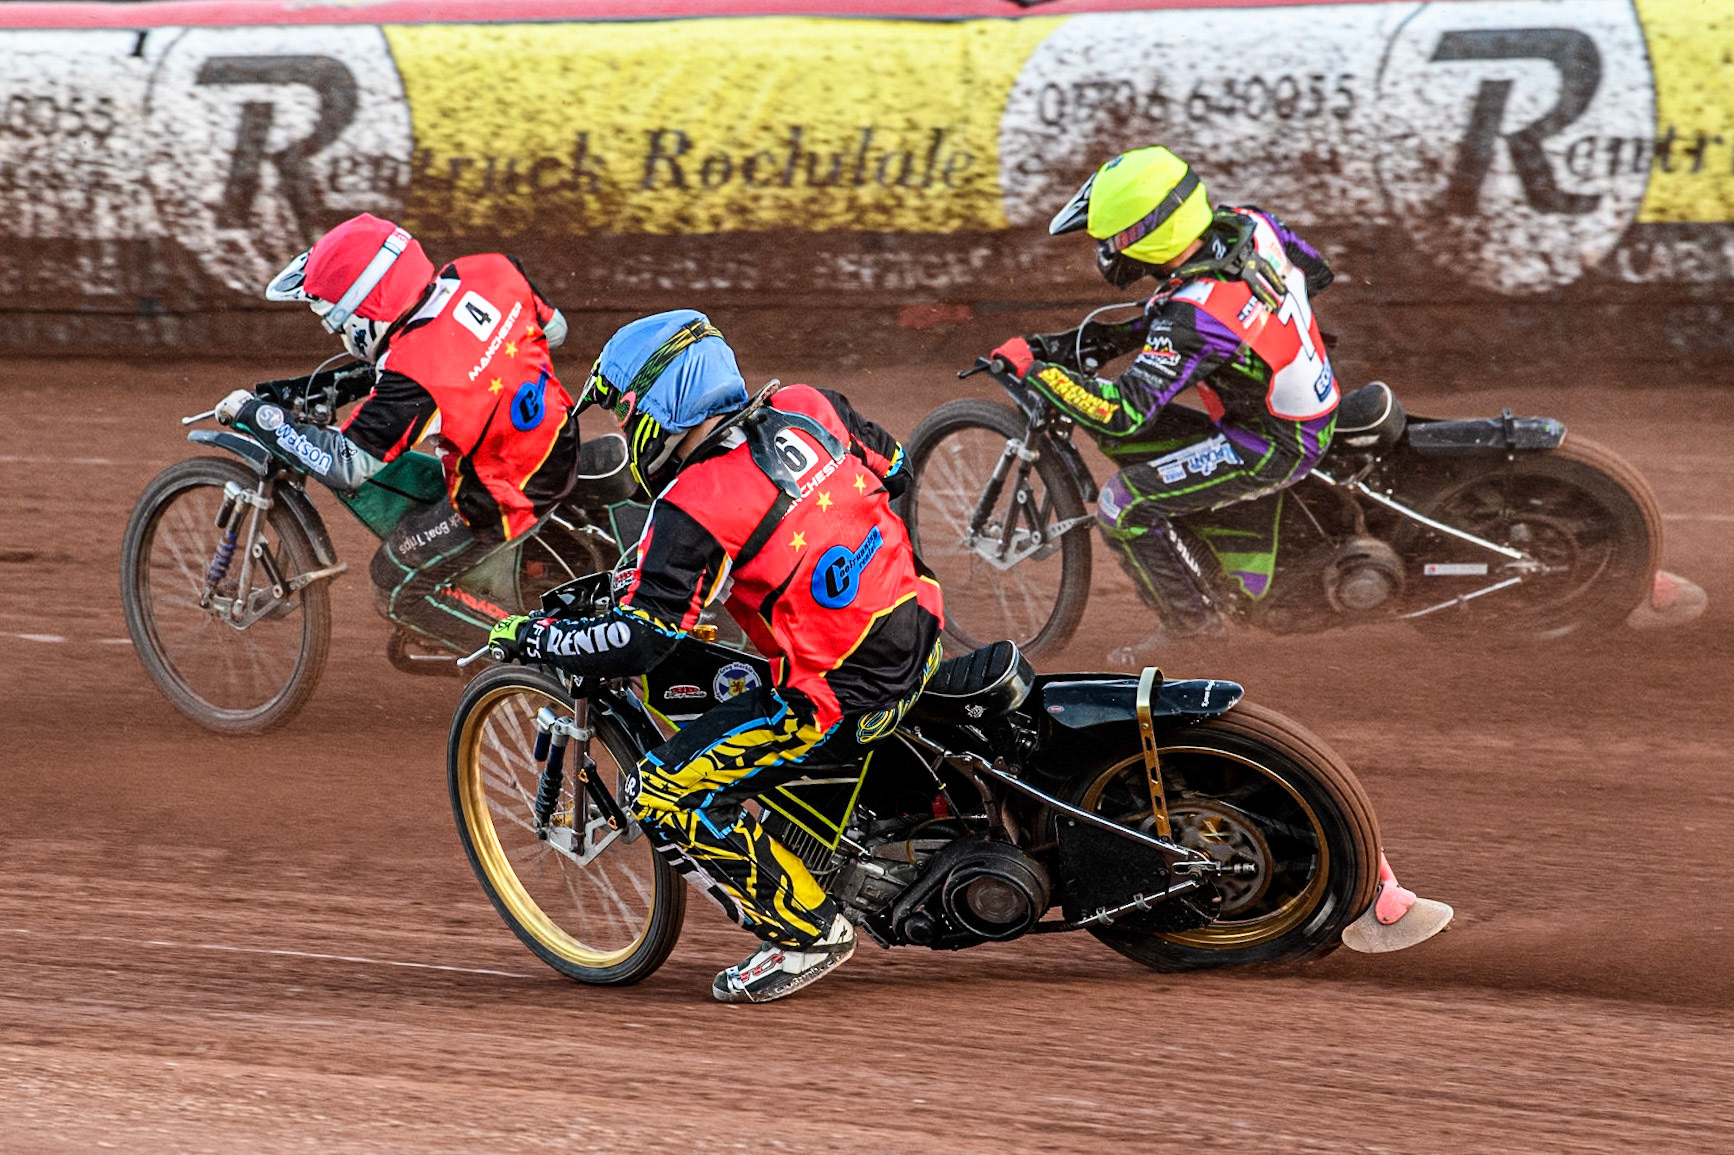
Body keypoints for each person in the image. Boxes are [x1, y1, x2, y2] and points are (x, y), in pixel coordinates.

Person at [486, 310, 945, 1003]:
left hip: (839, 694)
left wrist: (535, 638)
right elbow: (898, 469)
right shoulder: (805, 404)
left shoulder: (691, 505)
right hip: (921, 618)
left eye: (624, 414)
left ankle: (808, 933)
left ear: (659, 408)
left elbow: (643, 640)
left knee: (660, 792)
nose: (623, 430)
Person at [991, 146, 1339, 665]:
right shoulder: (1249, 224)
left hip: (1273, 443)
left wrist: (1039, 373)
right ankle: (1197, 540)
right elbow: (1316, 273)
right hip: (1299, 401)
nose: (1106, 250)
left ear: (1146, 237)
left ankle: (1193, 633)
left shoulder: (1192, 318)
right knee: (1129, 446)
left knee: (1121, 504)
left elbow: (1123, 410)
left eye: (1110, 239)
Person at [217, 213, 580, 652]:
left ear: (366, 310)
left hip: (505, 494)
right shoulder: (489, 269)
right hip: (559, 435)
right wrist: (479, 366)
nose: (334, 330)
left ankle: (534, 657)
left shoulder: (412, 378)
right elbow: (554, 331)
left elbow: (344, 465)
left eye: (336, 319)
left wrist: (258, 416)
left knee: (394, 584)